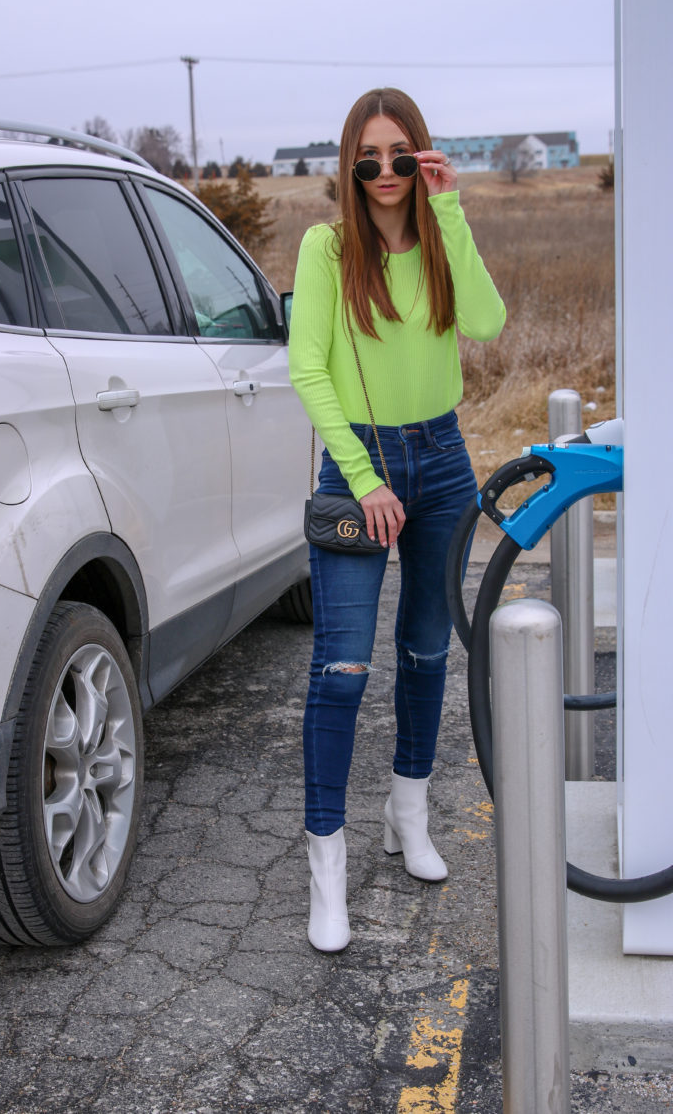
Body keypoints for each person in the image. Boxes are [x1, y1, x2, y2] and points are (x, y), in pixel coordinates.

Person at [288, 87, 505, 952]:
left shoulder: (440, 236)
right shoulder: (326, 248)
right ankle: (326, 871)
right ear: (349, 164)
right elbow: (310, 371)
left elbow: (488, 323)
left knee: (425, 651)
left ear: (421, 157)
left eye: (399, 156)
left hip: (445, 463)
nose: (383, 172)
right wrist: (368, 477)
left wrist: (450, 208)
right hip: (357, 467)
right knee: (340, 668)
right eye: (367, 158)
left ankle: (407, 814)